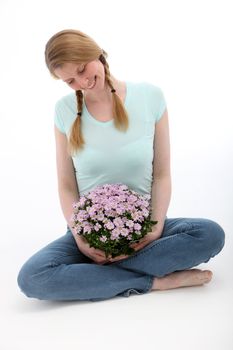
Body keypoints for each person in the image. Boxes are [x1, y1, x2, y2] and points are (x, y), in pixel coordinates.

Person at [17, 29, 225, 302]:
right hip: (89, 234)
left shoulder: (150, 97)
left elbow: (162, 174)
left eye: (82, 68)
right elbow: (67, 185)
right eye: (70, 80)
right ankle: (154, 282)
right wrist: (81, 239)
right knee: (32, 278)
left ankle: (92, 279)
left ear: (96, 52)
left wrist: (154, 229)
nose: (82, 82)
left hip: (142, 230)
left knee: (210, 234)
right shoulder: (64, 110)